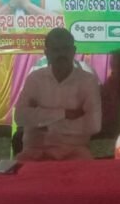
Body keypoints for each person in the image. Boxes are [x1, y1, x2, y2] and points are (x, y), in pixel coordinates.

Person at [14, 28, 101, 161]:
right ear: (46, 53)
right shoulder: (35, 79)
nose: (61, 54)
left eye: (65, 49)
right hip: (35, 152)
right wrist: (64, 114)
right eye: (56, 49)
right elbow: (20, 117)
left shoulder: (88, 81)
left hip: (74, 153)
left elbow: (93, 125)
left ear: (73, 51)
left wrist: (43, 121)